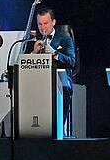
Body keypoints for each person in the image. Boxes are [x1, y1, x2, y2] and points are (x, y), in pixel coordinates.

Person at [22, 8, 77, 137]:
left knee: (64, 90)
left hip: (60, 82)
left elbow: (72, 61)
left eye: (46, 23)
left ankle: (59, 129)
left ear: (53, 22)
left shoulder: (65, 38)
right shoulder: (32, 39)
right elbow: (24, 64)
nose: (43, 27)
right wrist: (33, 53)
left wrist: (54, 53)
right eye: (40, 24)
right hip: (39, 82)